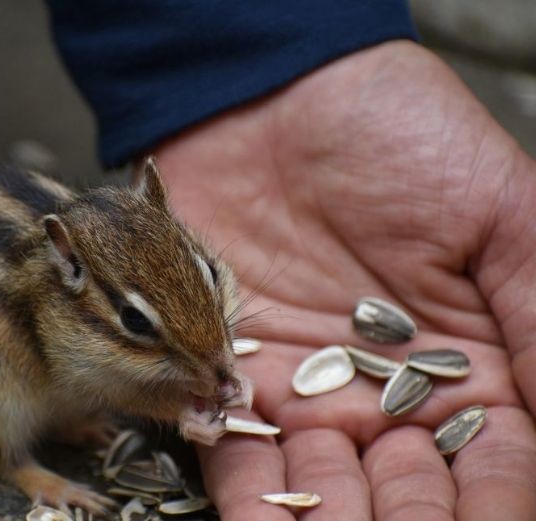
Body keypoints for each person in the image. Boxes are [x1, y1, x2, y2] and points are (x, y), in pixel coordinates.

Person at [48, 2, 536, 519]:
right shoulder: (62, 320)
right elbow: (84, 374)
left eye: (212, 275)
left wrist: (293, 59)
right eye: (136, 323)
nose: (224, 359)